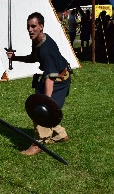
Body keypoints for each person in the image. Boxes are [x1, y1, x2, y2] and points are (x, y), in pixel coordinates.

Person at [6, 12, 71, 155]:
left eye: (33, 26)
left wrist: (46, 101)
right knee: (42, 104)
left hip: (59, 80)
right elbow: (33, 57)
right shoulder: (37, 41)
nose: (30, 29)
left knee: (40, 108)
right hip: (55, 76)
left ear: (41, 26)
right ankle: (60, 135)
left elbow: (50, 78)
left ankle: (38, 144)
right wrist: (15, 58)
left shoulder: (47, 49)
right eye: (28, 26)